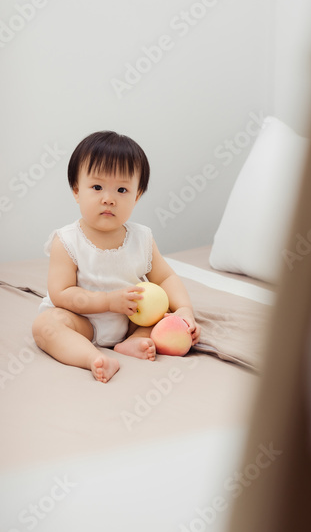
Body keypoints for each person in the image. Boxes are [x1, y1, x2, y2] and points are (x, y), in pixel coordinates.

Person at [31, 131, 201, 382]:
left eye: (122, 189)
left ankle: (133, 342)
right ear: (77, 191)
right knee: (46, 326)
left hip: (131, 319)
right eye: (97, 187)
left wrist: (185, 311)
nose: (108, 199)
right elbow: (62, 293)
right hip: (83, 321)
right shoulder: (67, 241)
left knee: (162, 315)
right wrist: (109, 302)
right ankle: (92, 358)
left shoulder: (142, 238)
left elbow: (165, 278)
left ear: (137, 196)